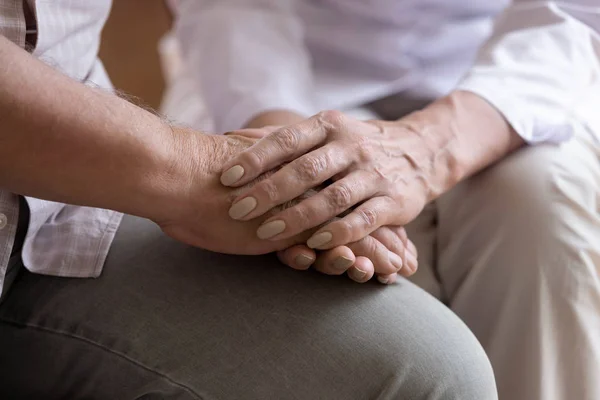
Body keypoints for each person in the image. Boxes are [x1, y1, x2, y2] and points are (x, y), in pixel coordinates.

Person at [0, 1, 497, 398]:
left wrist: (302, 176)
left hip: (61, 215)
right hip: (110, 174)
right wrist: (192, 172)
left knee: (432, 365)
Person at [161, 1, 600, 399]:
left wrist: (430, 147)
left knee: (542, 216)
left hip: (518, 72)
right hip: (278, 71)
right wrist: (297, 157)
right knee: (343, 264)